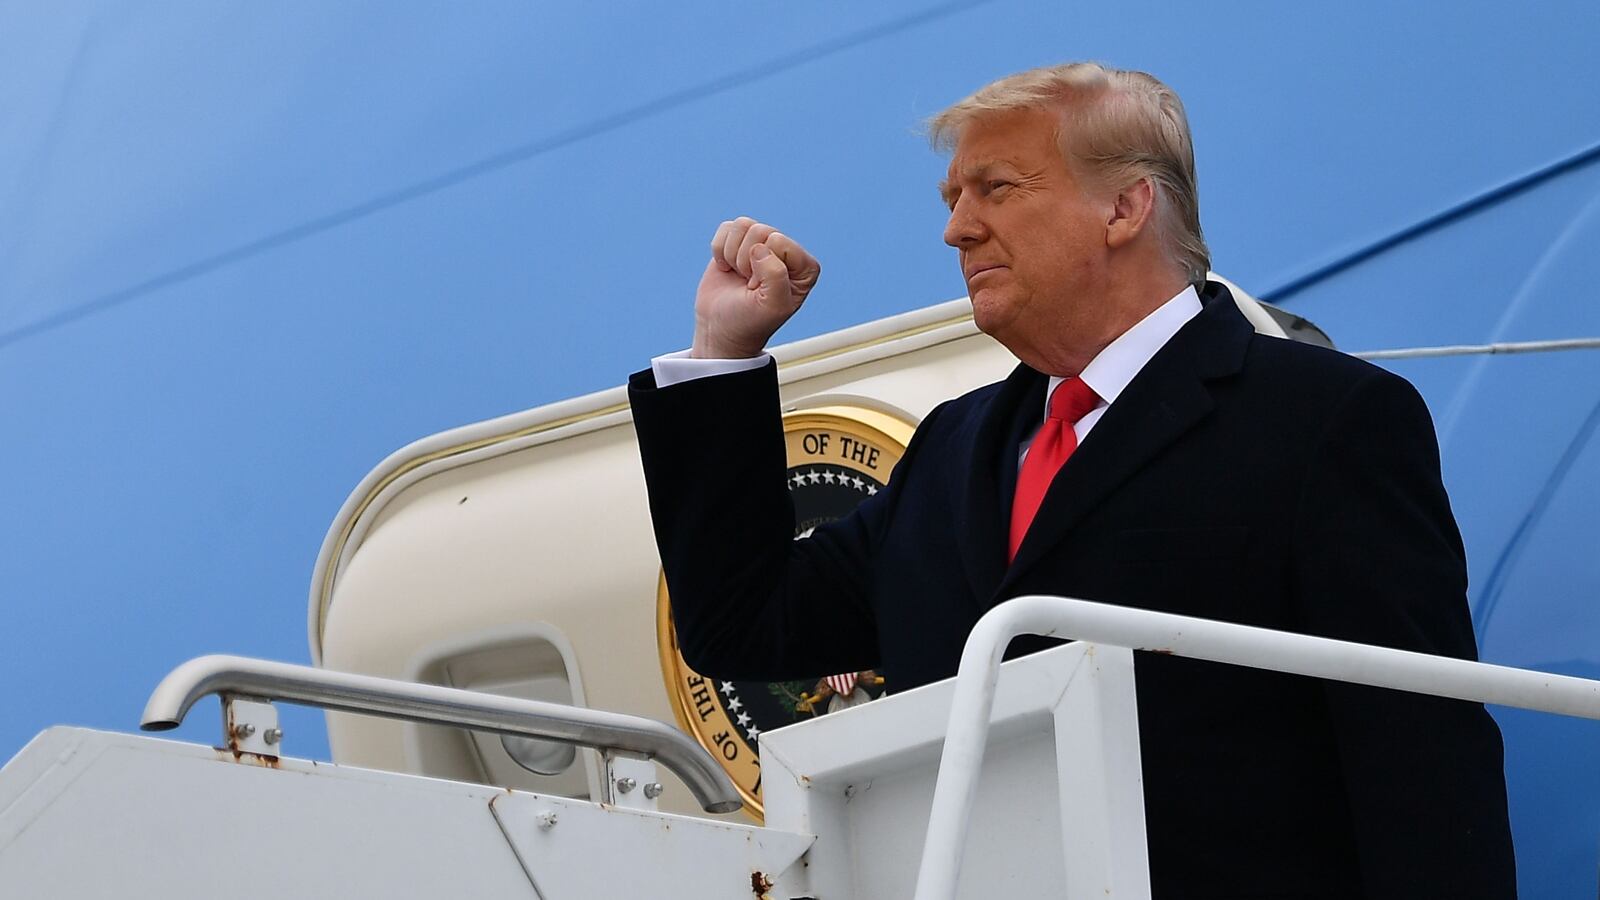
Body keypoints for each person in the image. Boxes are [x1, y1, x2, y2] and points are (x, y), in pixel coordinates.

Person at [628, 62, 1515, 897]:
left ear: (1125, 206)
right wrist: (724, 355)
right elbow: (741, 622)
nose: (956, 227)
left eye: (997, 190)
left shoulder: (1326, 421)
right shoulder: (952, 449)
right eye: (952, 198)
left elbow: (1421, 764)